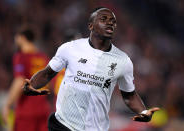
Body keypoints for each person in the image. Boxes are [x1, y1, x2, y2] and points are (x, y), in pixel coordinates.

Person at [23, 7, 159, 131]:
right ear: (91, 25)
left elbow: (129, 96)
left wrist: (143, 112)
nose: (110, 23)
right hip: (64, 125)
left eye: (113, 21)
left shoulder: (123, 61)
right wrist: (32, 84)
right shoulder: (70, 48)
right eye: (103, 19)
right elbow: (47, 73)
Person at [2, 27, 51, 131]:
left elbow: (19, 80)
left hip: (26, 111)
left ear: (22, 38)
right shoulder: (43, 57)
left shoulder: (21, 57)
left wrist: (7, 105)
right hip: (43, 110)